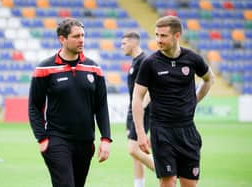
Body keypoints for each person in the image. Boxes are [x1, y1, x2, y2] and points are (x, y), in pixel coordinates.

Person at [28, 17, 112, 187]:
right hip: (57, 140)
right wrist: (42, 138)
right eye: (76, 36)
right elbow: (34, 106)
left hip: (86, 142)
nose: (81, 40)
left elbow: (101, 106)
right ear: (62, 39)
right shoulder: (44, 69)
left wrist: (106, 138)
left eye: (82, 35)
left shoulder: (94, 68)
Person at [132, 16, 214, 187]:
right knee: (168, 181)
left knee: (189, 184)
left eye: (163, 36)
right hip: (162, 131)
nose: (158, 40)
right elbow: (137, 97)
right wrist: (140, 132)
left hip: (188, 130)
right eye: (157, 35)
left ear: (177, 36)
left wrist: (195, 100)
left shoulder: (192, 59)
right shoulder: (150, 63)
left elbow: (208, 79)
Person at [121, 31, 155, 187]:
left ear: (134, 43)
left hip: (142, 112)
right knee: (136, 154)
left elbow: (149, 90)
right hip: (132, 111)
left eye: (124, 43)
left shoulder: (144, 61)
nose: (122, 46)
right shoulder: (135, 62)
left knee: (133, 149)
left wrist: (140, 108)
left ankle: (167, 172)